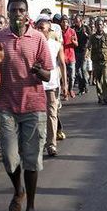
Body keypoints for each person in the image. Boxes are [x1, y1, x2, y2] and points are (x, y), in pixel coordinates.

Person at [0, 0, 52, 211]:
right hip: (6, 106)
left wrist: (38, 70)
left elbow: (48, 75)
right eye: (13, 10)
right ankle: (18, 190)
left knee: (31, 160)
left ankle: (31, 207)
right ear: (8, 12)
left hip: (34, 106)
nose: (17, 14)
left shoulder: (38, 37)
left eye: (21, 10)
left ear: (27, 12)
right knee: (11, 160)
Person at [36, 15, 67, 156]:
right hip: (35, 85)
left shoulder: (56, 45)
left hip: (51, 86)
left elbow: (62, 65)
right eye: (37, 28)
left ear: (49, 31)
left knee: (51, 114)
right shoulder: (32, 45)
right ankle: (39, 143)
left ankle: (51, 144)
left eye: (42, 28)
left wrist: (65, 84)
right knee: (37, 116)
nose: (39, 30)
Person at [88, 19, 107, 105]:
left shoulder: (106, 36)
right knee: (98, 80)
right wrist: (86, 54)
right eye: (97, 25)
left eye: (100, 25)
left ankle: (106, 97)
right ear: (95, 26)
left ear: (103, 26)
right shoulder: (92, 37)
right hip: (96, 61)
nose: (99, 26)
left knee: (105, 79)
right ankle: (100, 96)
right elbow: (88, 47)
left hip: (105, 60)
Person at [60, 15, 77, 97]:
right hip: (62, 56)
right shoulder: (58, 31)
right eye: (63, 21)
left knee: (72, 76)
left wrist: (73, 41)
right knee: (63, 76)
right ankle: (65, 92)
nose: (65, 23)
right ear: (61, 22)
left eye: (66, 21)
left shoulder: (72, 31)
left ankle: (70, 89)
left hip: (71, 56)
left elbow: (76, 44)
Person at [73, 16, 89, 95]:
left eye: (78, 21)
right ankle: (81, 87)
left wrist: (88, 51)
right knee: (78, 71)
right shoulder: (73, 29)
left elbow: (90, 39)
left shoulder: (86, 28)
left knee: (83, 69)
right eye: (75, 21)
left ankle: (86, 85)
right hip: (76, 52)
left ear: (81, 21)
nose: (76, 23)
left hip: (84, 51)